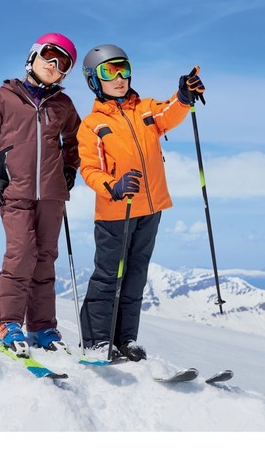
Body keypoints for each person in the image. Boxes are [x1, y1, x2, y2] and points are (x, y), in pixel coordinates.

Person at [77, 44, 205, 361]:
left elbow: (169, 112)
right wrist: (112, 185)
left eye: (124, 68)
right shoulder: (92, 124)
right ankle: (95, 340)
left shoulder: (145, 109)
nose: (120, 77)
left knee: (136, 276)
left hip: (151, 209)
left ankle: (125, 340)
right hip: (114, 212)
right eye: (109, 71)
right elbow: (89, 168)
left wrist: (184, 96)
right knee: (109, 277)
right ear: (94, 80)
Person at [0, 32, 81, 356]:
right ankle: (8, 322)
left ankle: (44, 326)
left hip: (51, 195)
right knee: (21, 255)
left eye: (64, 63)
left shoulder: (63, 105)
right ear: (33, 56)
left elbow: (77, 141)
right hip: (13, 192)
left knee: (46, 260)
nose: (55, 65)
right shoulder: (2, 97)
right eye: (50, 55)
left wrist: (70, 168)